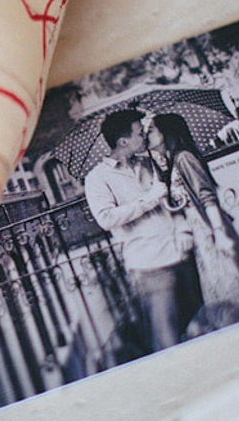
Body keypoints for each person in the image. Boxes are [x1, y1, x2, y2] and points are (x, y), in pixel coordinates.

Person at [84, 109, 202, 352]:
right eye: (140, 133)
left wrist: (183, 230)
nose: (145, 137)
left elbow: (171, 201)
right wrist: (149, 199)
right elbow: (106, 218)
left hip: (182, 254)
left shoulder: (150, 162)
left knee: (197, 324)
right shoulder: (98, 178)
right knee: (167, 339)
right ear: (123, 141)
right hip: (151, 265)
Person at [146, 113, 239, 309]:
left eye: (151, 130)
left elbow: (207, 196)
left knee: (232, 284)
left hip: (208, 229)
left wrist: (219, 232)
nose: (147, 135)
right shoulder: (171, 162)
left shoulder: (184, 158)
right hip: (199, 235)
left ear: (166, 132)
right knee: (218, 287)